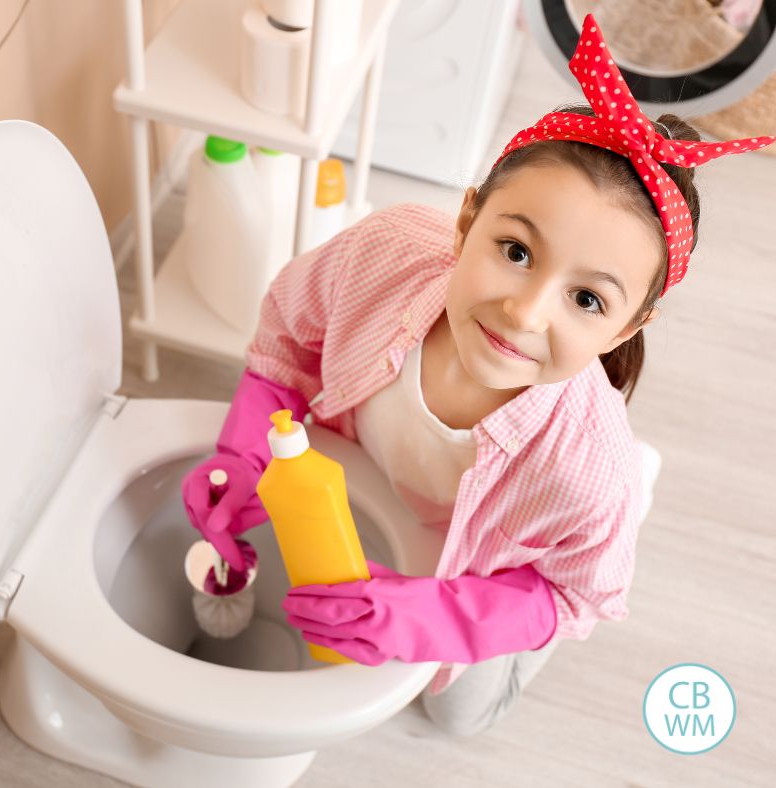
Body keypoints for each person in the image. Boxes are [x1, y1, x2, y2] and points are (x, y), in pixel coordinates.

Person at [181, 14, 774, 737]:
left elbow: (574, 596)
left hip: (495, 552)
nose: (523, 313)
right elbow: (286, 333)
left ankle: (642, 484)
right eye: (516, 250)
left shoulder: (588, 470)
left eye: (586, 300)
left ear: (624, 329)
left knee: (455, 710)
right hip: (377, 473)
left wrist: (434, 619)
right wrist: (242, 453)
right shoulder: (388, 252)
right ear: (467, 219)